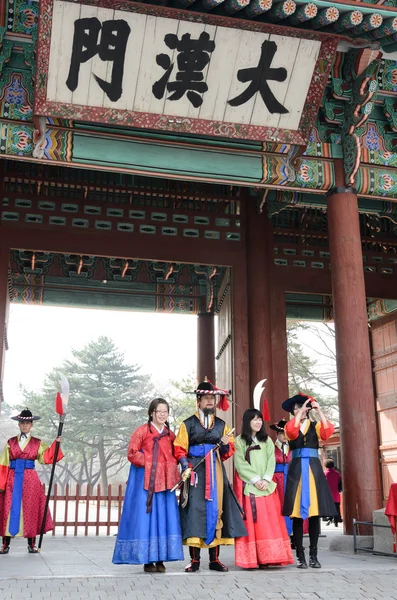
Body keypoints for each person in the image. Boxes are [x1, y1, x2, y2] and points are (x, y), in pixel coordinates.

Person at [174, 379, 247, 572]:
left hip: (215, 471)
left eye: (212, 399)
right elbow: (179, 448)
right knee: (194, 511)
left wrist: (223, 445)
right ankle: (195, 560)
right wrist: (185, 466)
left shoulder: (222, 425)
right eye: (206, 398)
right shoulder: (187, 424)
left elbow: (228, 451)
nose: (209, 402)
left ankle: (214, 559)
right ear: (198, 401)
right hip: (195, 471)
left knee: (217, 509)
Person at [112, 398, 184, 572]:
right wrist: (151, 463)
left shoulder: (170, 435)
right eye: (159, 411)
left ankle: (161, 559)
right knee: (147, 519)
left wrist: (181, 465)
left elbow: (176, 453)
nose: (162, 415)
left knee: (164, 518)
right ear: (151, 412)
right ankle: (147, 560)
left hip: (165, 484)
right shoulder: (142, 431)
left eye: (165, 412)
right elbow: (132, 453)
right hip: (146, 483)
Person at [282, 393, 337, 569]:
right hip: (297, 471)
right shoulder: (289, 426)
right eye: (296, 408)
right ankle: (300, 555)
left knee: (315, 515)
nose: (301, 410)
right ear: (293, 411)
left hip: (313, 471)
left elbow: (327, 433)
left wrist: (318, 410)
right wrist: (299, 413)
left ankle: (313, 555)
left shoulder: (316, 425)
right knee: (297, 516)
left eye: (302, 407)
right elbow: (291, 432)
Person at [234, 409, 294, 569]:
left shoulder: (267, 441)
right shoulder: (239, 441)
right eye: (254, 420)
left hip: (267, 487)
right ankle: (253, 558)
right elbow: (240, 464)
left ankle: (271, 557)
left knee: (270, 523)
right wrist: (255, 480)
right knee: (255, 524)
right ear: (247, 422)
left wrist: (266, 479)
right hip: (251, 487)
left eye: (260, 419)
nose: (258, 422)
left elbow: (271, 461)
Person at [0, 409, 64, 554]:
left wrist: (56, 444)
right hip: (12, 478)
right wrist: (1, 483)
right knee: (9, 508)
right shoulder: (10, 442)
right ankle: (5, 544)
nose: (24, 425)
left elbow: (46, 458)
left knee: (31, 509)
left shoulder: (37, 443)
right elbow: (3, 463)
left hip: (30, 479)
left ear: (31, 425)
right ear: (19, 424)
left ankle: (31, 544)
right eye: (22, 423)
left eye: (27, 423)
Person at [270, 419, 293, 540]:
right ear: (277, 435)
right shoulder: (271, 448)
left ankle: (293, 534)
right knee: (278, 505)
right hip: (276, 479)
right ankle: (280, 533)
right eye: (282, 434)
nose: (285, 436)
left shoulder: (292, 447)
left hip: (290, 478)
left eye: (286, 433)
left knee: (292, 503)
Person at [324, 459, 343, 527]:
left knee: (328, 508)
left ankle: (329, 518)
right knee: (336, 508)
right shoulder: (337, 473)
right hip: (336, 494)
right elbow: (340, 482)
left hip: (327, 495)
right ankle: (336, 521)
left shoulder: (325, 473)